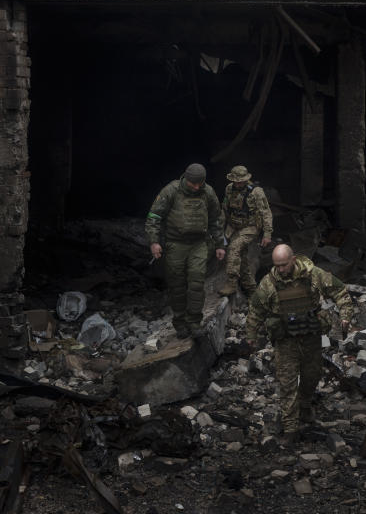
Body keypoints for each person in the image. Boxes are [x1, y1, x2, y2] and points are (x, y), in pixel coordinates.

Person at [246, 244, 354, 441]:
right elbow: (255, 310)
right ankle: (290, 428)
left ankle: (304, 405)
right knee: (287, 384)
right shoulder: (269, 283)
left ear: (293, 260)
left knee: (312, 376)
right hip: (286, 341)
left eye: (284, 265)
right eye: (277, 266)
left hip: (311, 337)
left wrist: (345, 315)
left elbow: (340, 291)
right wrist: (251, 336)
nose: (280, 270)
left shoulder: (313, 275)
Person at [145, 163, 226, 338]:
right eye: (193, 183)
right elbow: (154, 217)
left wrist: (220, 244)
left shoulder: (208, 192)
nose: (196, 187)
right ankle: (180, 322)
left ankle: (194, 322)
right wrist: (154, 242)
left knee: (196, 284)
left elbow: (215, 220)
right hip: (176, 244)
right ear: (186, 178)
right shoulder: (171, 191)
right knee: (177, 285)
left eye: (200, 184)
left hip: (199, 244)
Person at [218, 165, 273, 297]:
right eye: (236, 181)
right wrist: (219, 229)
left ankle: (231, 283)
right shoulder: (229, 189)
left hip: (250, 227)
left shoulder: (256, 192)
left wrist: (267, 233)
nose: (238, 184)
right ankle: (252, 290)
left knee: (234, 248)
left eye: (241, 181)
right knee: (241, 259)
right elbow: (224, 210)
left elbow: (266, 212)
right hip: (233, 226)